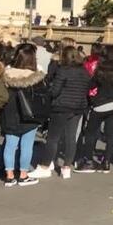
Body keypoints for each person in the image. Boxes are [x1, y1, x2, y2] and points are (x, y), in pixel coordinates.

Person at [28, 46, 90, 180]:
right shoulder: (84, 71)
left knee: (53, 138)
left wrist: (49, 91)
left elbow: (55, 91)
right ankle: (66, 167)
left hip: (62, 107)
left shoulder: (63, 71)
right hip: (78, 107)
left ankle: (45, 166)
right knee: (71, 137)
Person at [74, 46, 113, 173]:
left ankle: (88, 160)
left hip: (100, 104)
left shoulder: (100, 71)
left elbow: (90, 86)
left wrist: (93, 100)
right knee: (110, 135)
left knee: (90, 132)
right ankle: (106, 162)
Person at [0, 44, 48, 187]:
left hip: (9, 113)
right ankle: (23, 175)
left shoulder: (6, 74)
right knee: (27, 145)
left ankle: (9, 176)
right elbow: (44, 96)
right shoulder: (37, 77)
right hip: (30, 115)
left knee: (10, 144)